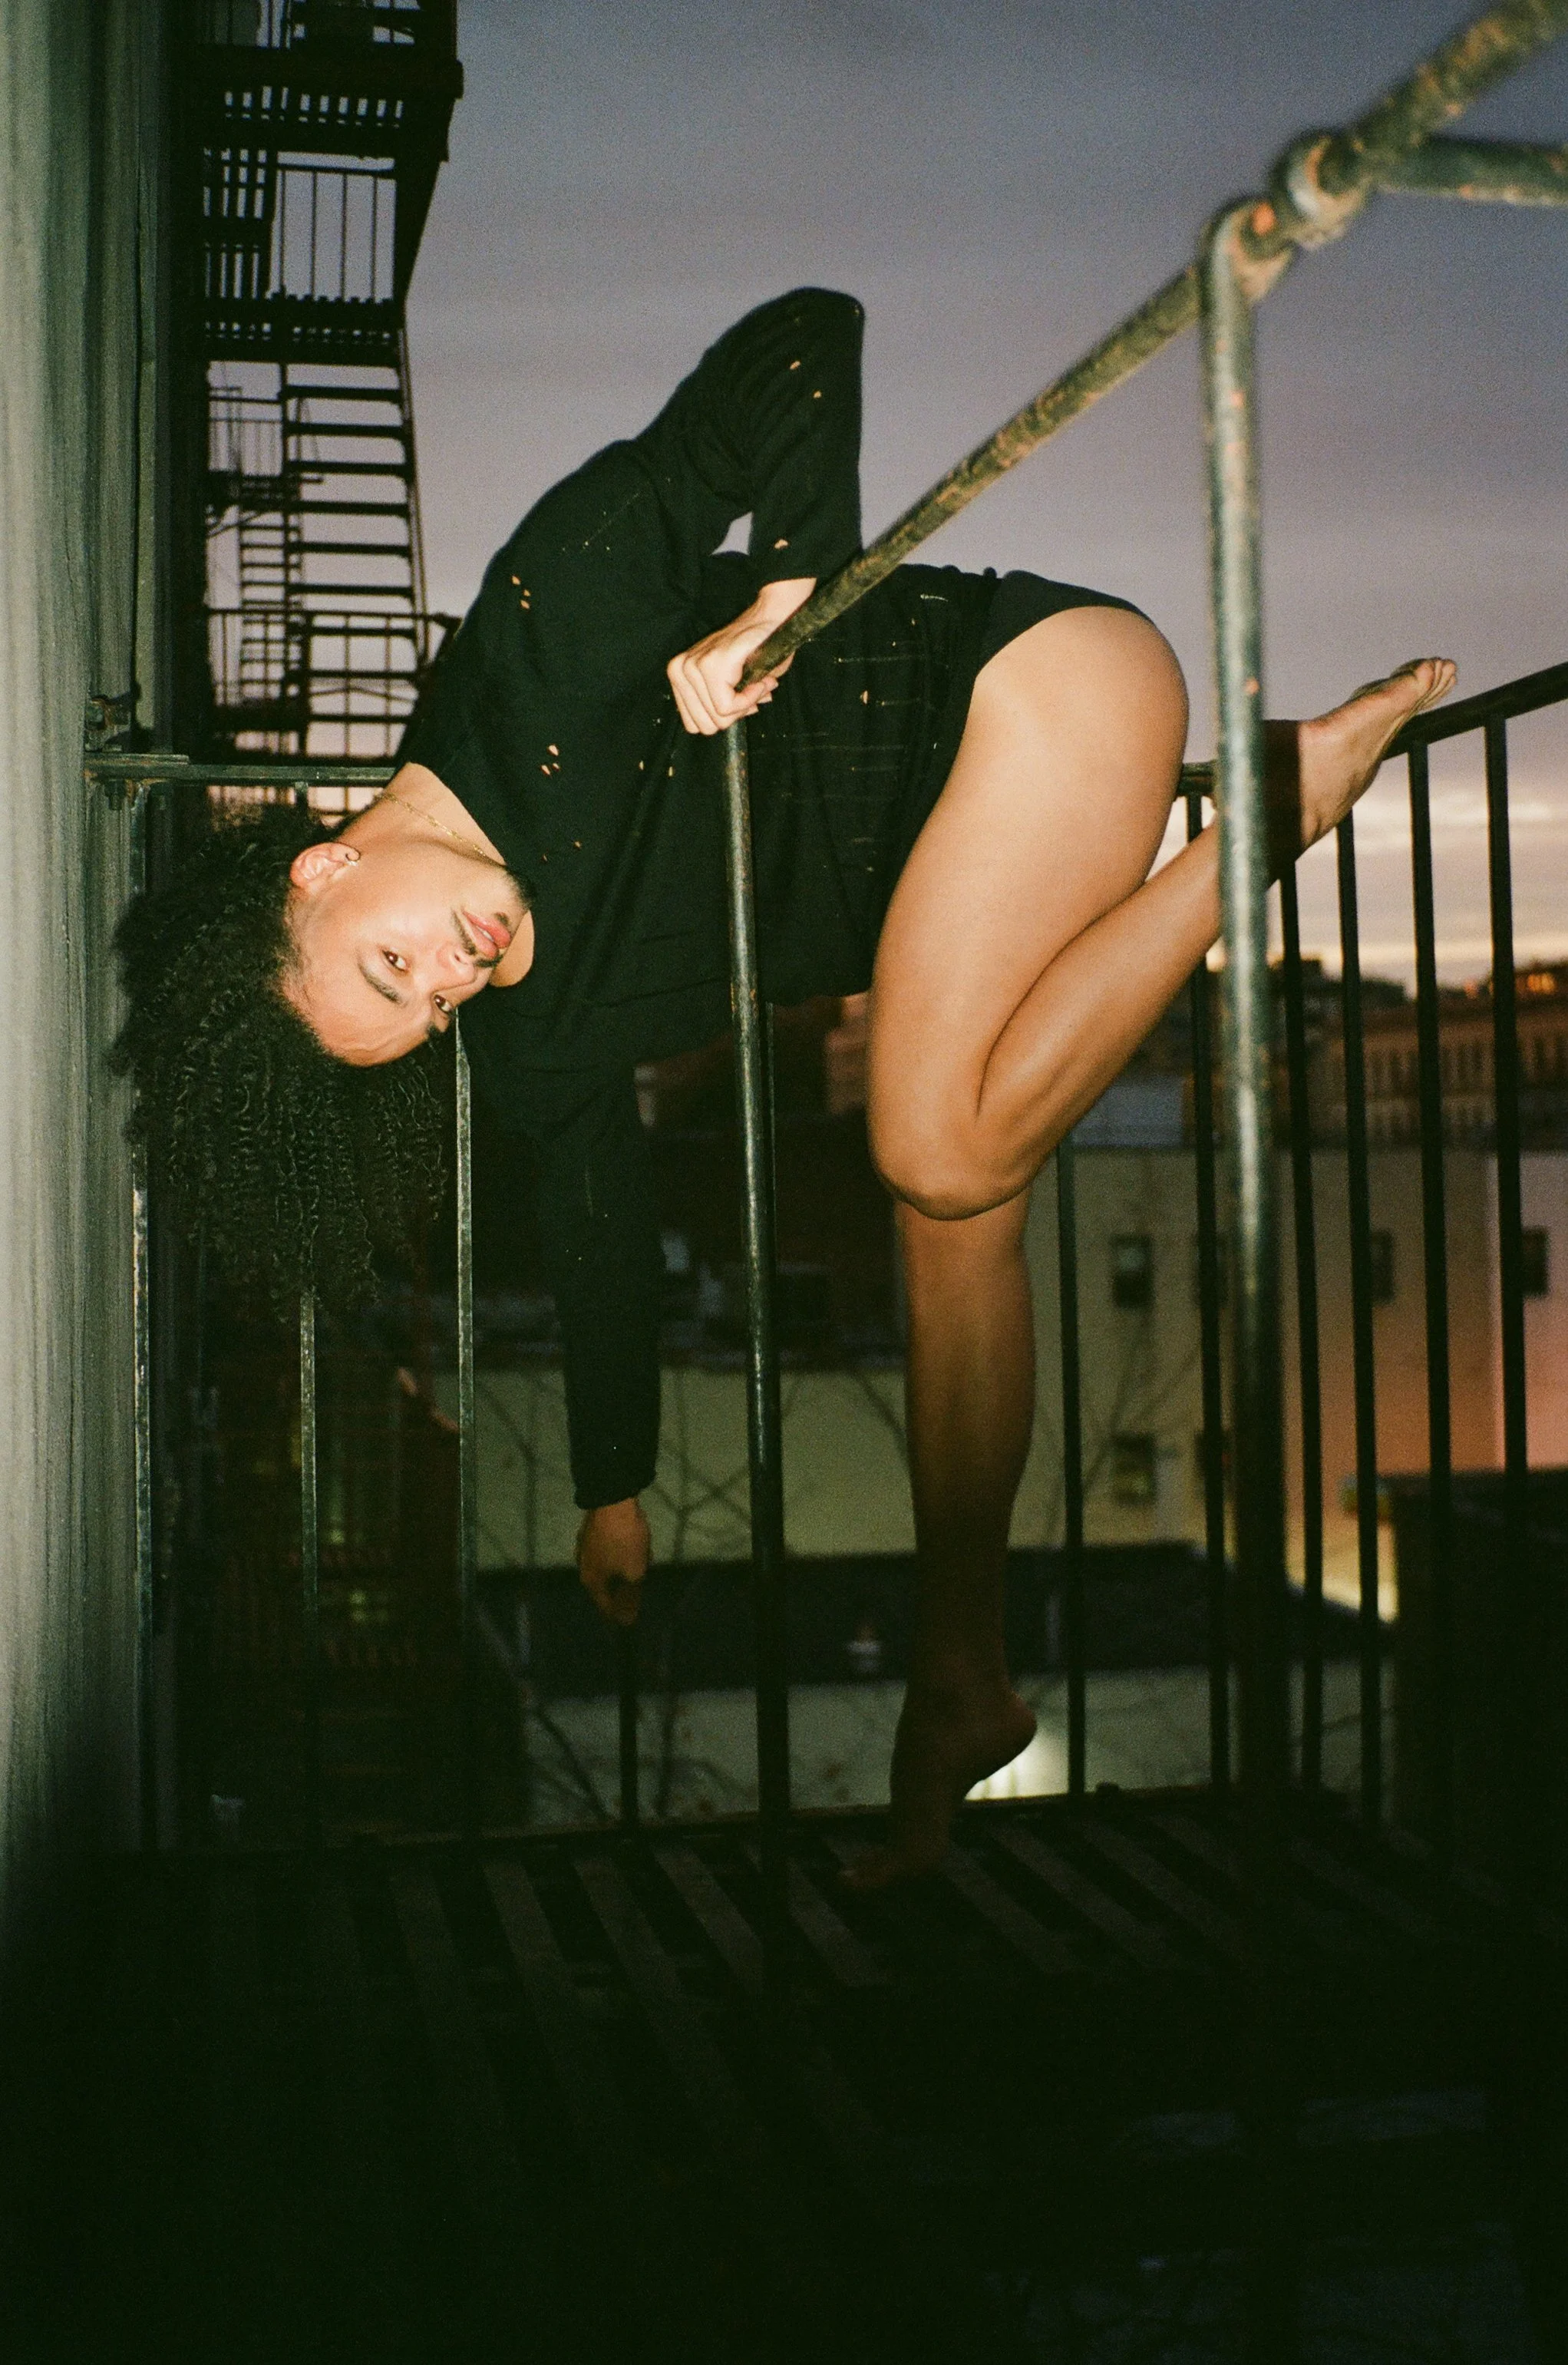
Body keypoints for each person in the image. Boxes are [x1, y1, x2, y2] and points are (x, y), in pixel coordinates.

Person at [115, 288, 1454, 1884]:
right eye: (425, 1012)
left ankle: (1272, 817)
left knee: (929, 1142)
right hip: (973, 850)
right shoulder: (527, 1027)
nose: (452, 975)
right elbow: (602, 1222)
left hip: (1034, 684)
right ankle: (959, 1681)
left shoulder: (540, 636)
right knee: (959, 1216)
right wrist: (611, 1490)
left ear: (324, 871)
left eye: (396, 963)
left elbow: (804, 342)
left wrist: (778, 593)